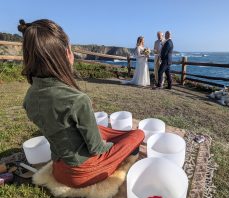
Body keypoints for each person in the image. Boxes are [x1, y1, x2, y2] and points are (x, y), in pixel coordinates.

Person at [18, 19, 144, 188]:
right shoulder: (77, 99)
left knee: (99, 129)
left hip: (58, 168)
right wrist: (114, 146)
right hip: (85, 172)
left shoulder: (29, 98)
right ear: (65, 54)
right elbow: (97, 149)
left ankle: (119, 137)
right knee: (138, 135)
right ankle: (125, 142)